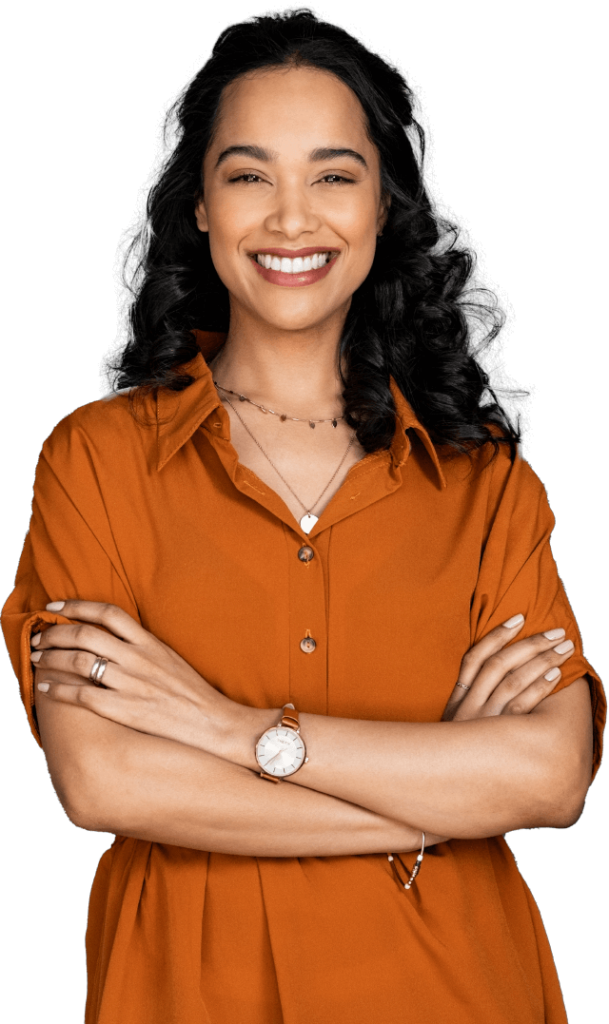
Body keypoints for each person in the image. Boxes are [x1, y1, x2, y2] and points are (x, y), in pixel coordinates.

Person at [1, 8, 605, 1023]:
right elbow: (103, 781)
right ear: (198, 203)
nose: (292, 219)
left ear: (383, 206)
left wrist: (227, 729)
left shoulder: (485, 481)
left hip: (455, 989)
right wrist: (424, 805)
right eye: (248, 174)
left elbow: (549, 776)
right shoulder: (95, 459)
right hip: (188, 995)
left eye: (334, 173)